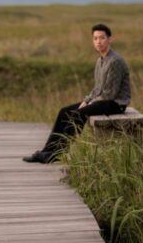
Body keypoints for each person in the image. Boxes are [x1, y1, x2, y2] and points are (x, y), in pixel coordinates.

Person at [23, 24, 131, 163]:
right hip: (103, 100)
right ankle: (47, 151)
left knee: (79, 114)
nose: (98, 41)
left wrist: (90, 104)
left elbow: (110, 94)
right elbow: (97, 88)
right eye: (95, 38)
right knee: (64, 112)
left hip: (116, 104)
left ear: (109, 39)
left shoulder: (115, 61)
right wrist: (86, 100)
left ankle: (57, 153)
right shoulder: (100, 60)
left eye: (102, 38)